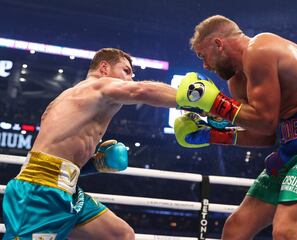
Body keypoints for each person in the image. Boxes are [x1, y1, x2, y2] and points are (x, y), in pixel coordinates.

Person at [174, 15, 297, 239]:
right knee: (235, 229)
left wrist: (215, 103)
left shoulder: (259, 48)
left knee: (286, 230)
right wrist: (211, 135)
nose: (205, 65)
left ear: (218, 44)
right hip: (291, 147)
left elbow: (266, 120)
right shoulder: (237, 80)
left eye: (204, 55)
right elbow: (264, 135)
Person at [2, 48, 177, 240]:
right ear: (104, 68)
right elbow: (143, 90)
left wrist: (95, 164)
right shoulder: (96, 86)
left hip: (66, 189)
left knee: (121, 235)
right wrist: (196, 99)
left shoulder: (76, 100)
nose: (130, 80)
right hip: (39, 191)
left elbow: (60, 154)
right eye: (126, 71)